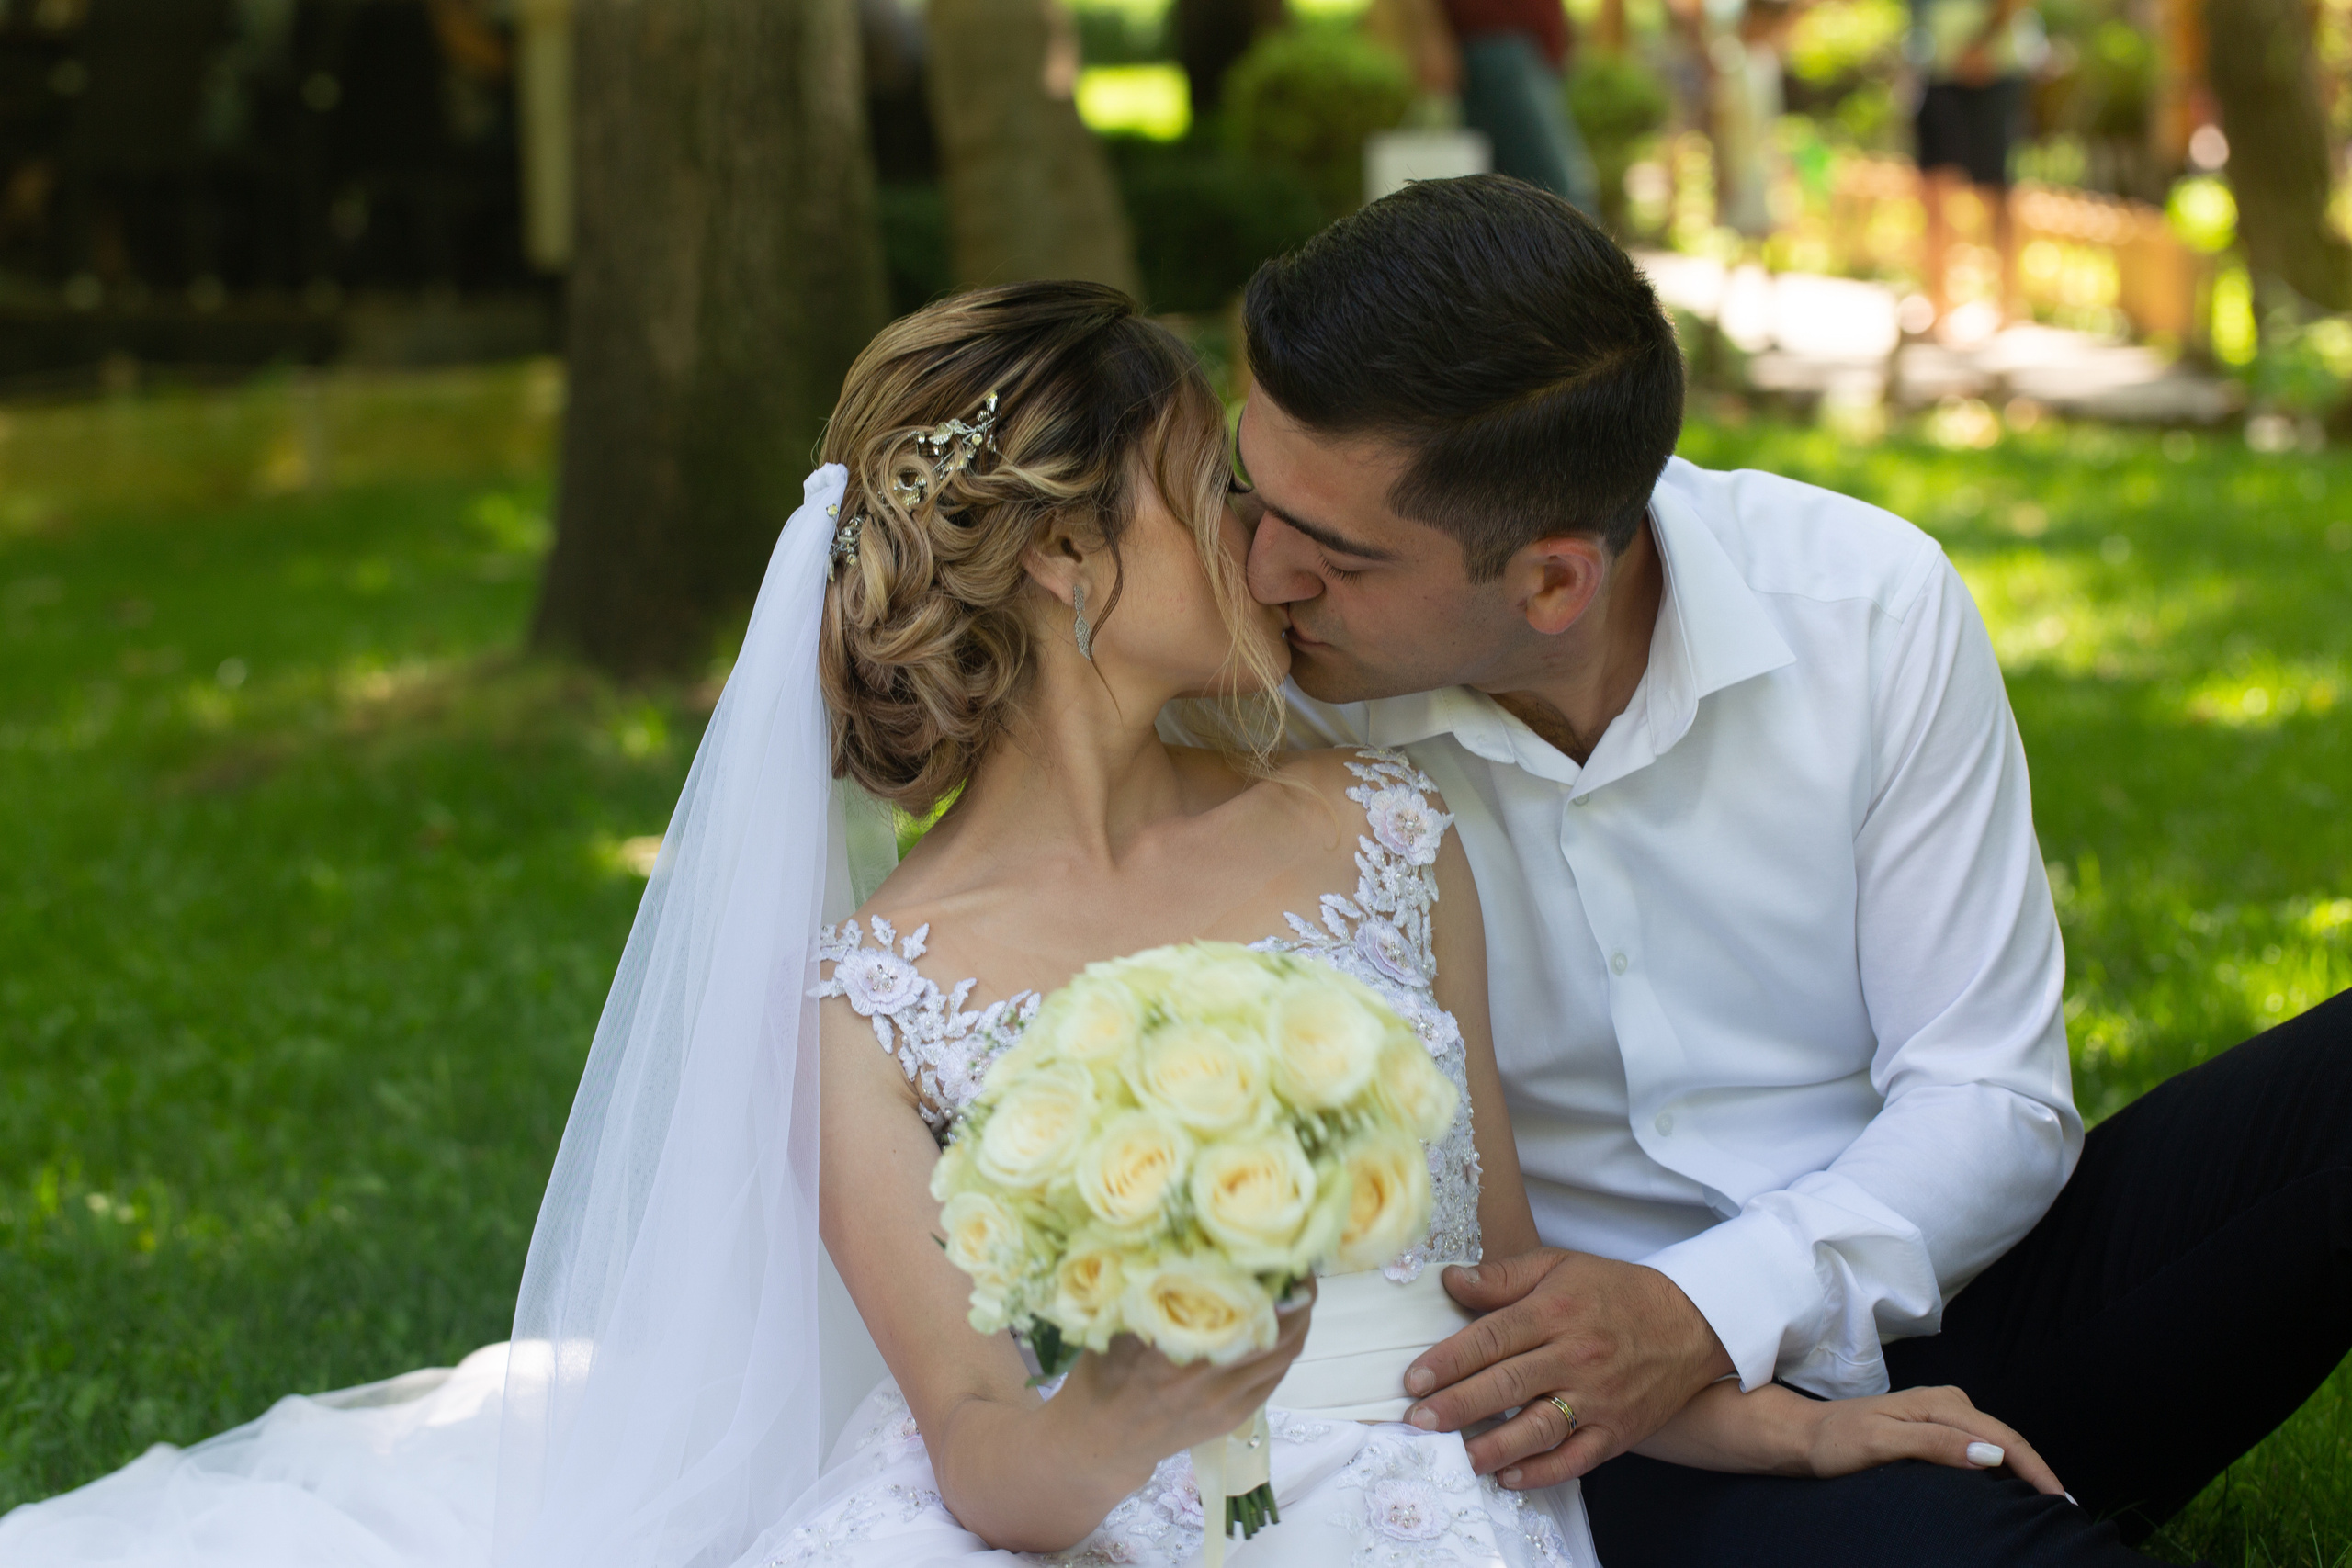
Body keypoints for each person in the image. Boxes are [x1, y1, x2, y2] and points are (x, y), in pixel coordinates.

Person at [0, 282, 2064, 1568]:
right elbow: (988, 1453)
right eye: (1215, 494)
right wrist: (1151, 1400)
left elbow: (1497, 1289)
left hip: (1420, 1506)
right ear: (1069, 558)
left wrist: (1794, 1424)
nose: (1269, 552)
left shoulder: (1382, 825)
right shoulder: (866, 998)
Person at [1227, 173, 2352, 1566]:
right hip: (1587, 1428)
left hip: (1947, 1303)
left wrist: (1695, 1310)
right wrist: (1663, 1361)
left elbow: (1990, 1096)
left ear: (1554, 583)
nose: (1261, 574)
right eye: (1247, 492)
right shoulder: (1265, 701)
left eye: (1334, 556)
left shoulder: (1866, 606)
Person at [1911, 0, 2037, 333]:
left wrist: (1979, 45)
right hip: (1941, 71)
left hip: (1992, 73)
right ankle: (1939, 304)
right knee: (1935, 188)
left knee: (1997, 191)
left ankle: (2006, 304)